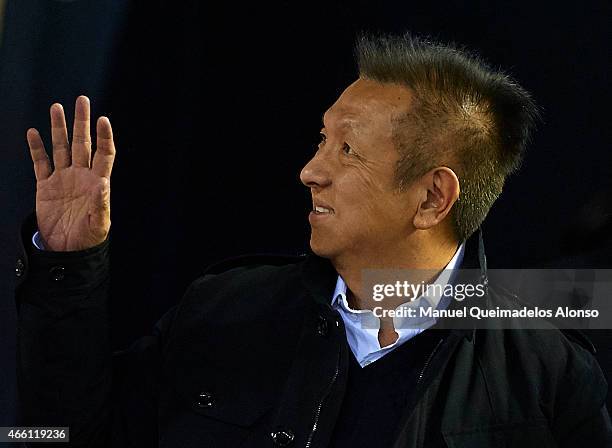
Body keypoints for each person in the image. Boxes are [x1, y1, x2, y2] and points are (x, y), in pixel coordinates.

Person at [14, 34, 612, 447]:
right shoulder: (221, 311)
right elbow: (63, 435)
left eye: (346, 149)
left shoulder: (547, 378)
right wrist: (71, 269)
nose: (310, 170)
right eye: (321, 139)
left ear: (432, 198)